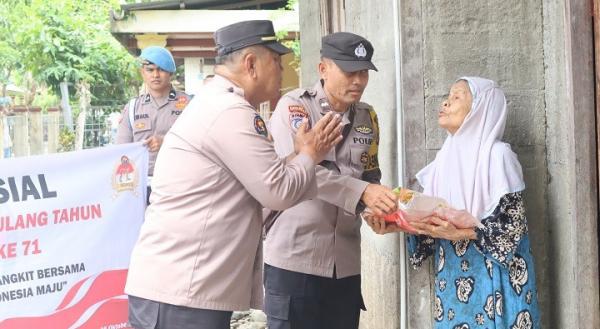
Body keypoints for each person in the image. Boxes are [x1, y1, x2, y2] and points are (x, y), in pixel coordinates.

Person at [124, 20, 344, 329]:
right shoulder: (230, 111)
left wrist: (301, 155)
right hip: (180, 295)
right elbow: (277, 191)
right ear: (251, 64)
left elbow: (265, 177)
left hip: (183, 291)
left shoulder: (219, 105)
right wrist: (310, 154)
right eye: (276, 61)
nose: (283, 69)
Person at [367, 77, 541, 328]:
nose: (446, 102)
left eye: (458, 96)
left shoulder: (498, 156)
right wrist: (397, 224)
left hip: (493, 277)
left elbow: (512, 230)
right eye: (448, 95)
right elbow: (433, 225)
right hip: (452, 274)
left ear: (480, 109)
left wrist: (461, 232)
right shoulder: (442, 161)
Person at [263, 32, 398, 329]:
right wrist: (364, 193)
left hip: (345, 263)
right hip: (295, 258)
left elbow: (370, 175)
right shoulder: (294, 108)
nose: (359, 81)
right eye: (350, 71)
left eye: (364, 72)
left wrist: (374, 212)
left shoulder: (368, 117)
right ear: (323, 69)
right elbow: (303, 172)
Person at [115, 46, 191, 203]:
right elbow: (121, 151)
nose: (155, 75)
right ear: (143, 73)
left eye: (161, 69)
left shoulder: (189, 104)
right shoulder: (132, 108)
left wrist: (166, 142)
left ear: (170, 73)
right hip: (140, 188)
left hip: (178, 185)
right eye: (150, 70)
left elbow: (200, 143)